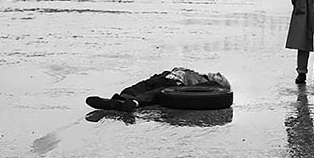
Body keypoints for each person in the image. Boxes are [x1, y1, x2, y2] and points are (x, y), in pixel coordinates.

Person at [85, 66, 230, 112]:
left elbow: (217, 91)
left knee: (153, 94)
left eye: (220, 77)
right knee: (136, 88)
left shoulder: (205, 84)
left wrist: (220, 86)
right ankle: (116, 101)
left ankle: (134, 103)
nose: (217, 74)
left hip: (173, 86)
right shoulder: (194, 72)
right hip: (161, 78)